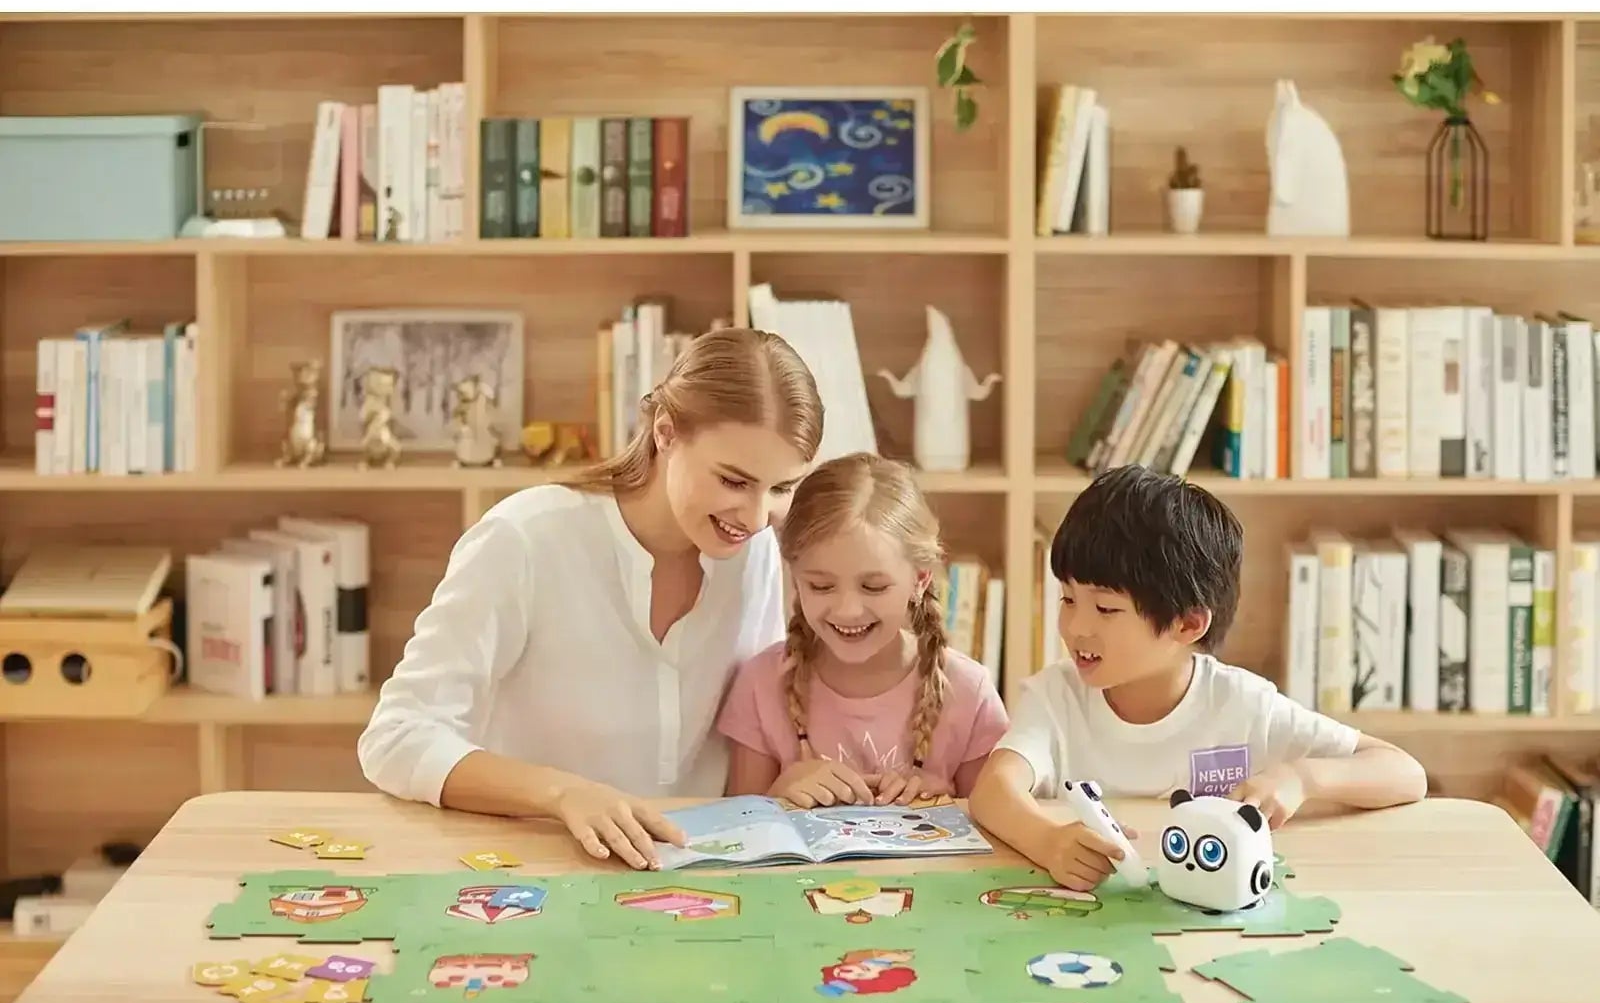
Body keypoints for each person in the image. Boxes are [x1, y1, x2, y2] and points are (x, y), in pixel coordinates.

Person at [356, 327, 823, 871]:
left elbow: (753, 726)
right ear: (666, 433)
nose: (756, 515)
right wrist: (562, 794)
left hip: (697, 878)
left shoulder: (755, 550)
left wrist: (790, 778)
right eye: (734, 481)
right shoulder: (526, 538)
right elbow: (396, 738)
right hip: (529, 872)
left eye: (782, 488)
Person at [969, 465, 1428, 891]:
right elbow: (993, 791)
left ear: (1187, 625)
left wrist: (1303, 778)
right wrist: (1048, 841)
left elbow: (1405, 773)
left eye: (1106, 609)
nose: (1076, 628)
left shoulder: (1242, 704)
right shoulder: (1055, 698)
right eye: (1068, 599)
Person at [718, 452, 1009, 808]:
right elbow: (737, 831)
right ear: (795, 579)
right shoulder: (762, 684)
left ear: (920, 580)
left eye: (873, 587)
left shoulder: (969, 692)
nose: (848, 610)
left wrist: (949, 805)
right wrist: (778, 796)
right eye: (822, 586)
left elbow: (996, 829)